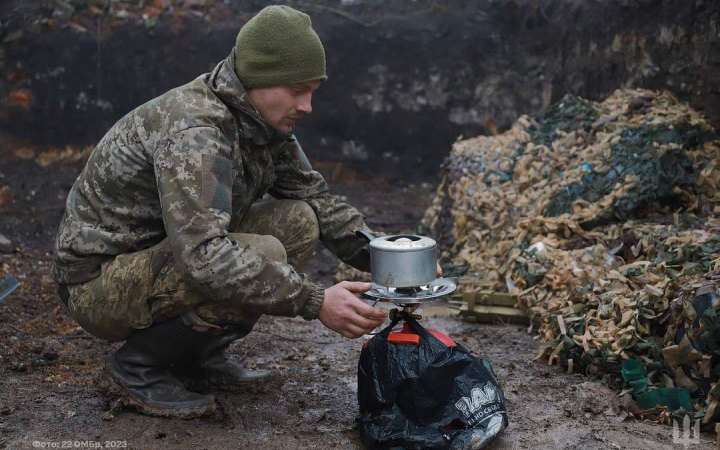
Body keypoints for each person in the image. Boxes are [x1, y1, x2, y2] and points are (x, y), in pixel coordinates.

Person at [52, 5, 387, 419]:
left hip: (158, 257)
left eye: (313, 90)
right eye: (298, 90)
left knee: (299, 220)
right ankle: (137, 367)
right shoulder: (197, 132)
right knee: (261, 252)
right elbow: (203, 257)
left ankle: (197, 357)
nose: (308, 106)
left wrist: (388, 259)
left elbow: (316, 198)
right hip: (97, 284)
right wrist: (315, 301)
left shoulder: (260, 121)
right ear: (259, 80)